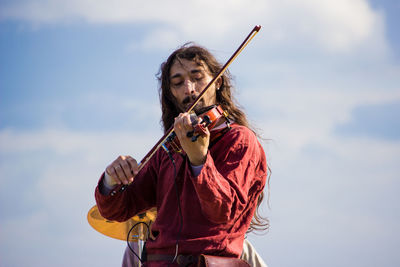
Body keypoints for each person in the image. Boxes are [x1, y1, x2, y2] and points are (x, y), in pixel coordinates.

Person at [95, 44, 269, 267]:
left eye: (197, 77)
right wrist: (111, 180)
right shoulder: (168, 149)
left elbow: (224, 212)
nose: (189, 89)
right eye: (177, 83)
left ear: (218, 82)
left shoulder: (239, 140)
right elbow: (117, 209)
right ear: (172, 94)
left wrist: (199, 160)